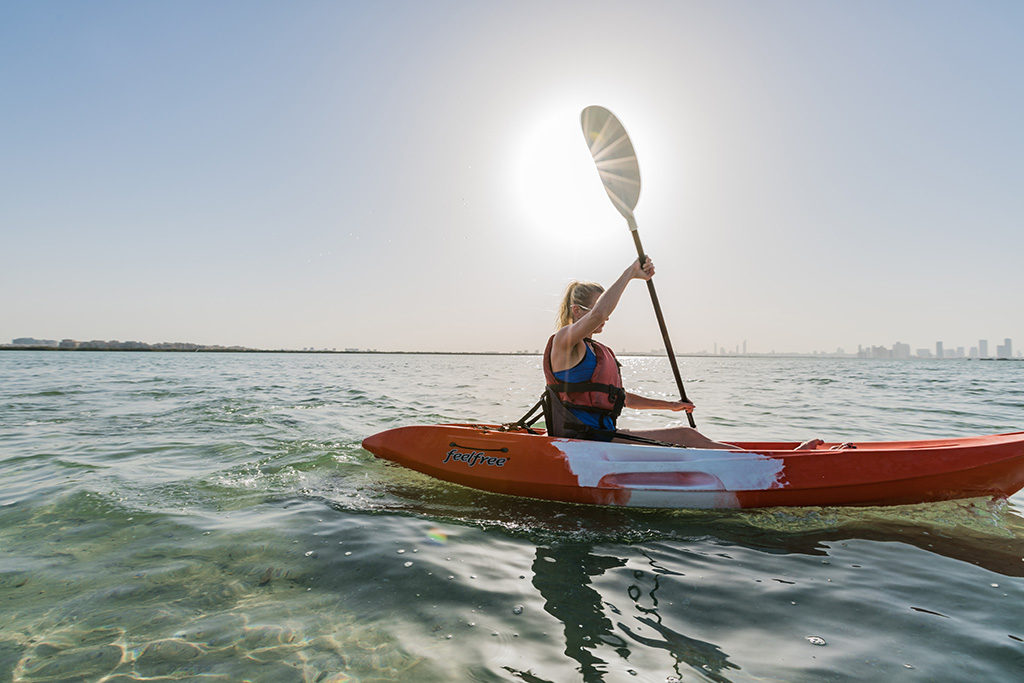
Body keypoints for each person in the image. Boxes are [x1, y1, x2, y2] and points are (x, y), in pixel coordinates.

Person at [543, 257, 824, 450]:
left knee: (685, 433)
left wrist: (671, 406)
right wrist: (631, 273)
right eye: (596, 312)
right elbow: (601, 313)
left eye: (603, 312)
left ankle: (770, 460)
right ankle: (775, 465)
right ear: (578, 312)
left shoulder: (594, 349)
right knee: (686, 436)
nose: (606, 319)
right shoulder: (564, 342)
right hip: (584, 443)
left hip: (599, 438)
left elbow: (620, 398)